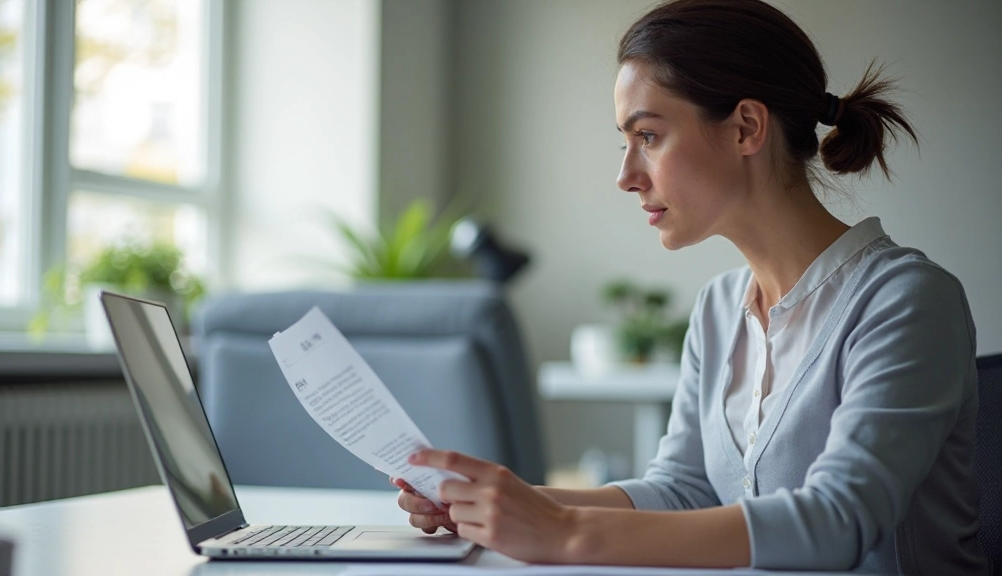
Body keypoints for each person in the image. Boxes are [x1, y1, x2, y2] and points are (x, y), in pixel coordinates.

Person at [392, 0, 986, 572]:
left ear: (746, 127)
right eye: (625, 142)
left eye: (648, 136)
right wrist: (505, 503)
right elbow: (684, 491)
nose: (625, 176)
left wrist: (566, 531)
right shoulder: (718, 308)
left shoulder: (905, 301)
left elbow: (839, 520)